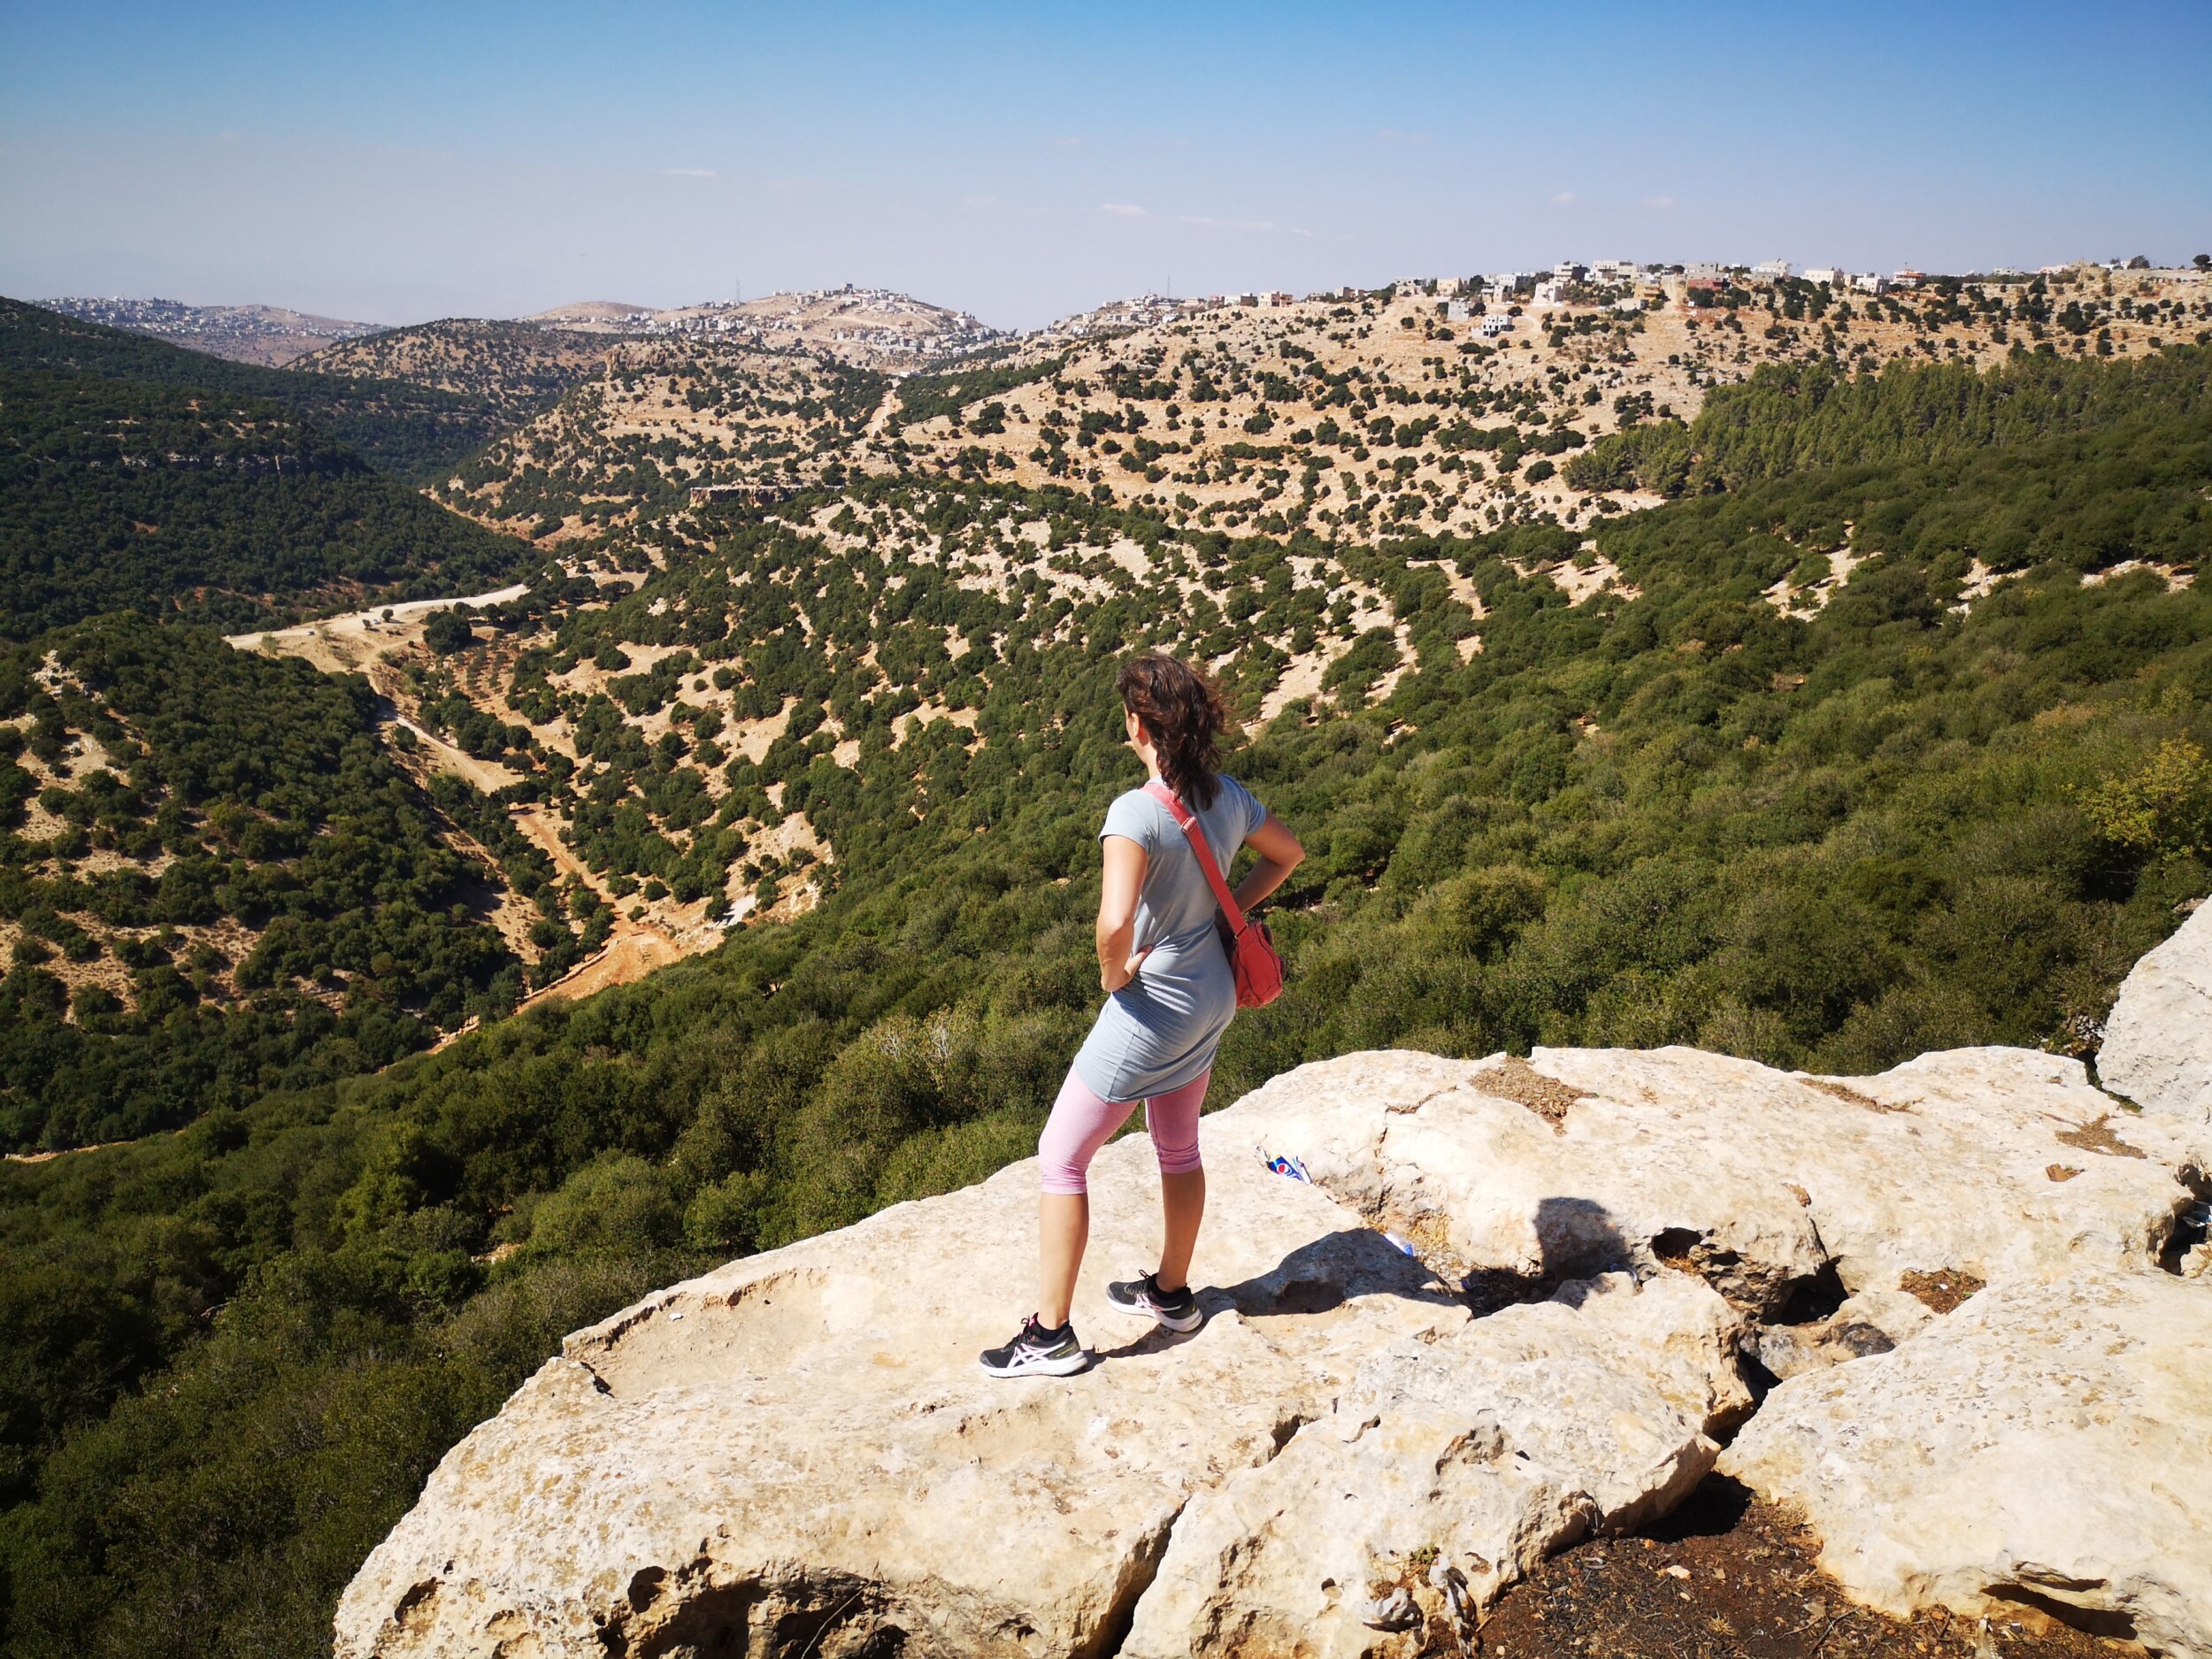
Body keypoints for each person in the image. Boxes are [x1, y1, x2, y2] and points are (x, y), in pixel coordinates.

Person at [980, 653, 1305, 1378]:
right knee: (1178, 1146)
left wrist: (1113, 974)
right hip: (1213, 995)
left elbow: (1113, 922)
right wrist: (1229, 910)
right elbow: (1289, 853)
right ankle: (1172, 1293)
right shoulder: (1227, 795)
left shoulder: (1134, 813)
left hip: (1153, 1006)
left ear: (1138, 727)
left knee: (1061, 1155)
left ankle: (1050, 1335)